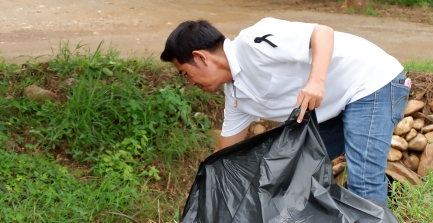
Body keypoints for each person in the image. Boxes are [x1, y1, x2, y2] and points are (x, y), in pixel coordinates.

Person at [160, 17, 410, 204]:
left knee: (363, 182)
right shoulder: (236, 96)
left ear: (201, 57)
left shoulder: (253, 42)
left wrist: (316, 81)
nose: (190, 82)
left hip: (371, 83)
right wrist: (203, 191)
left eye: (185, 73)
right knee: (280, 169)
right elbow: (223, 154)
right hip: (334, 107)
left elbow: (322, 33)